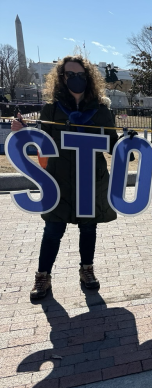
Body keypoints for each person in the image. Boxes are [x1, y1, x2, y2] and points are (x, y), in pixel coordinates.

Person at [11, 55, 119, 300]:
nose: (76, 79)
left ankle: (87, 270)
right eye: (70, 75)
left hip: (90, 178)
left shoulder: (101, 111)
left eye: (80, 75)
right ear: (62, 78)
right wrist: (23, 132)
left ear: (88, 78)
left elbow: (113, 144)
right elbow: (43, 144)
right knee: (52, 230)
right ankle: (43, 276)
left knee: (89, 228)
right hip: (59, 180)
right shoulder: (52, 109)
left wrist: (128, 145)